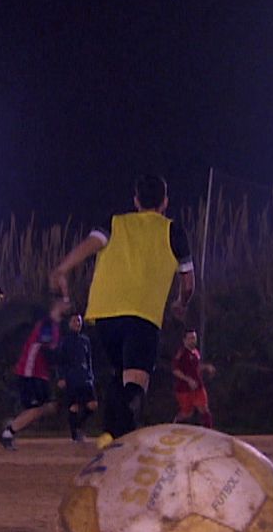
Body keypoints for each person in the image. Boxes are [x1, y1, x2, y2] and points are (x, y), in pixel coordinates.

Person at [50, 174, 194, 446]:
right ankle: (116, 438)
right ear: (165, 202)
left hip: (104, 315)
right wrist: (180, 303)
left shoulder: (114, 223)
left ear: (136, 200)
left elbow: (89, 246)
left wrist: (62, 268)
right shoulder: (173, 230)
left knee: (122, 375)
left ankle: (112, 434)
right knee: (136, 383)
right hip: (142, 315)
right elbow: (188, 282)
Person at [0, 296, 70, 450]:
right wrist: (61, 359)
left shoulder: (56, 325)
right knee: (36, 409)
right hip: (30, 371)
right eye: (65, 302)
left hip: (40, 373)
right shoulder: (47, 323)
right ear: (56, 305)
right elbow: (47, 348)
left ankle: (14, 424)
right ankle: (7, 433)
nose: (68, 305)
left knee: (50, 407)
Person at [57, 313, 99, 443]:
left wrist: (91, 375)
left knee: (92, 405)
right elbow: (60, 361)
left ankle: (79, 426)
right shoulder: (65, 341)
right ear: (69, 324)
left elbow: (89, 359)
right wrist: (61, 377)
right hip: (72, 378)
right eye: (75, 321)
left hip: (85, 378)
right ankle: (75, 435)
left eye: (79, 321)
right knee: (74, 406)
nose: (77, 323)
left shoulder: (85, 340)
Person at [171, 329, 214, 428]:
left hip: (197, 386)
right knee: (187, 413)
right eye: (190, 338)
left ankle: (208, 432)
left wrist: (206, 367)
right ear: (184, 340)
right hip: (184, 388)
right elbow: (175, 370)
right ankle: (175, 424)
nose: (193, 340)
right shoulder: (181, 353)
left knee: (204, 409)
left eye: (194, 338)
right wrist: (188, 380)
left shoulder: (195, 352)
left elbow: (196, 367)